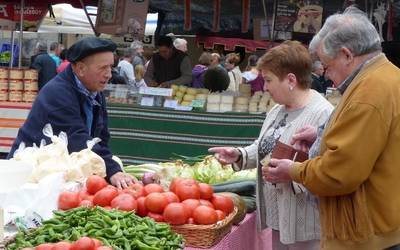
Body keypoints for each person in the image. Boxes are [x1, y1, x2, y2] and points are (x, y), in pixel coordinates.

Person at [265, 7, 400, 250]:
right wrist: (322, 136)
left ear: (347, 55)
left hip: (366, 235)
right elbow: (372, 144)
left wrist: (294, 170)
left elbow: (339, 174)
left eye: (326, 66)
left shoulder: (369, 92)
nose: (326, 76)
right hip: (382, 224)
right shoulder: (388, 76)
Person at [209, 40, 334, 250]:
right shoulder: (277, 109)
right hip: (279, 220)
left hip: (306, 226)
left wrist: (292, 173)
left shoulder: (323, 113)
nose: (264, 87)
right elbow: (266, 145)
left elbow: (330, 170)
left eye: (268, 80)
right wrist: (239, 155)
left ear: (291, 80)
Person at [8, 37, 135, 189]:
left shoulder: (94, 90)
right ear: (80, 68)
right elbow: (77, 138)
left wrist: (110, 168)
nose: (109, 74)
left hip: (61, 173)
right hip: (30, 175)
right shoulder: (58, 93)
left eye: (110, 67)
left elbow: (101, 136)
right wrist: (112, 169)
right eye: (103, 68)